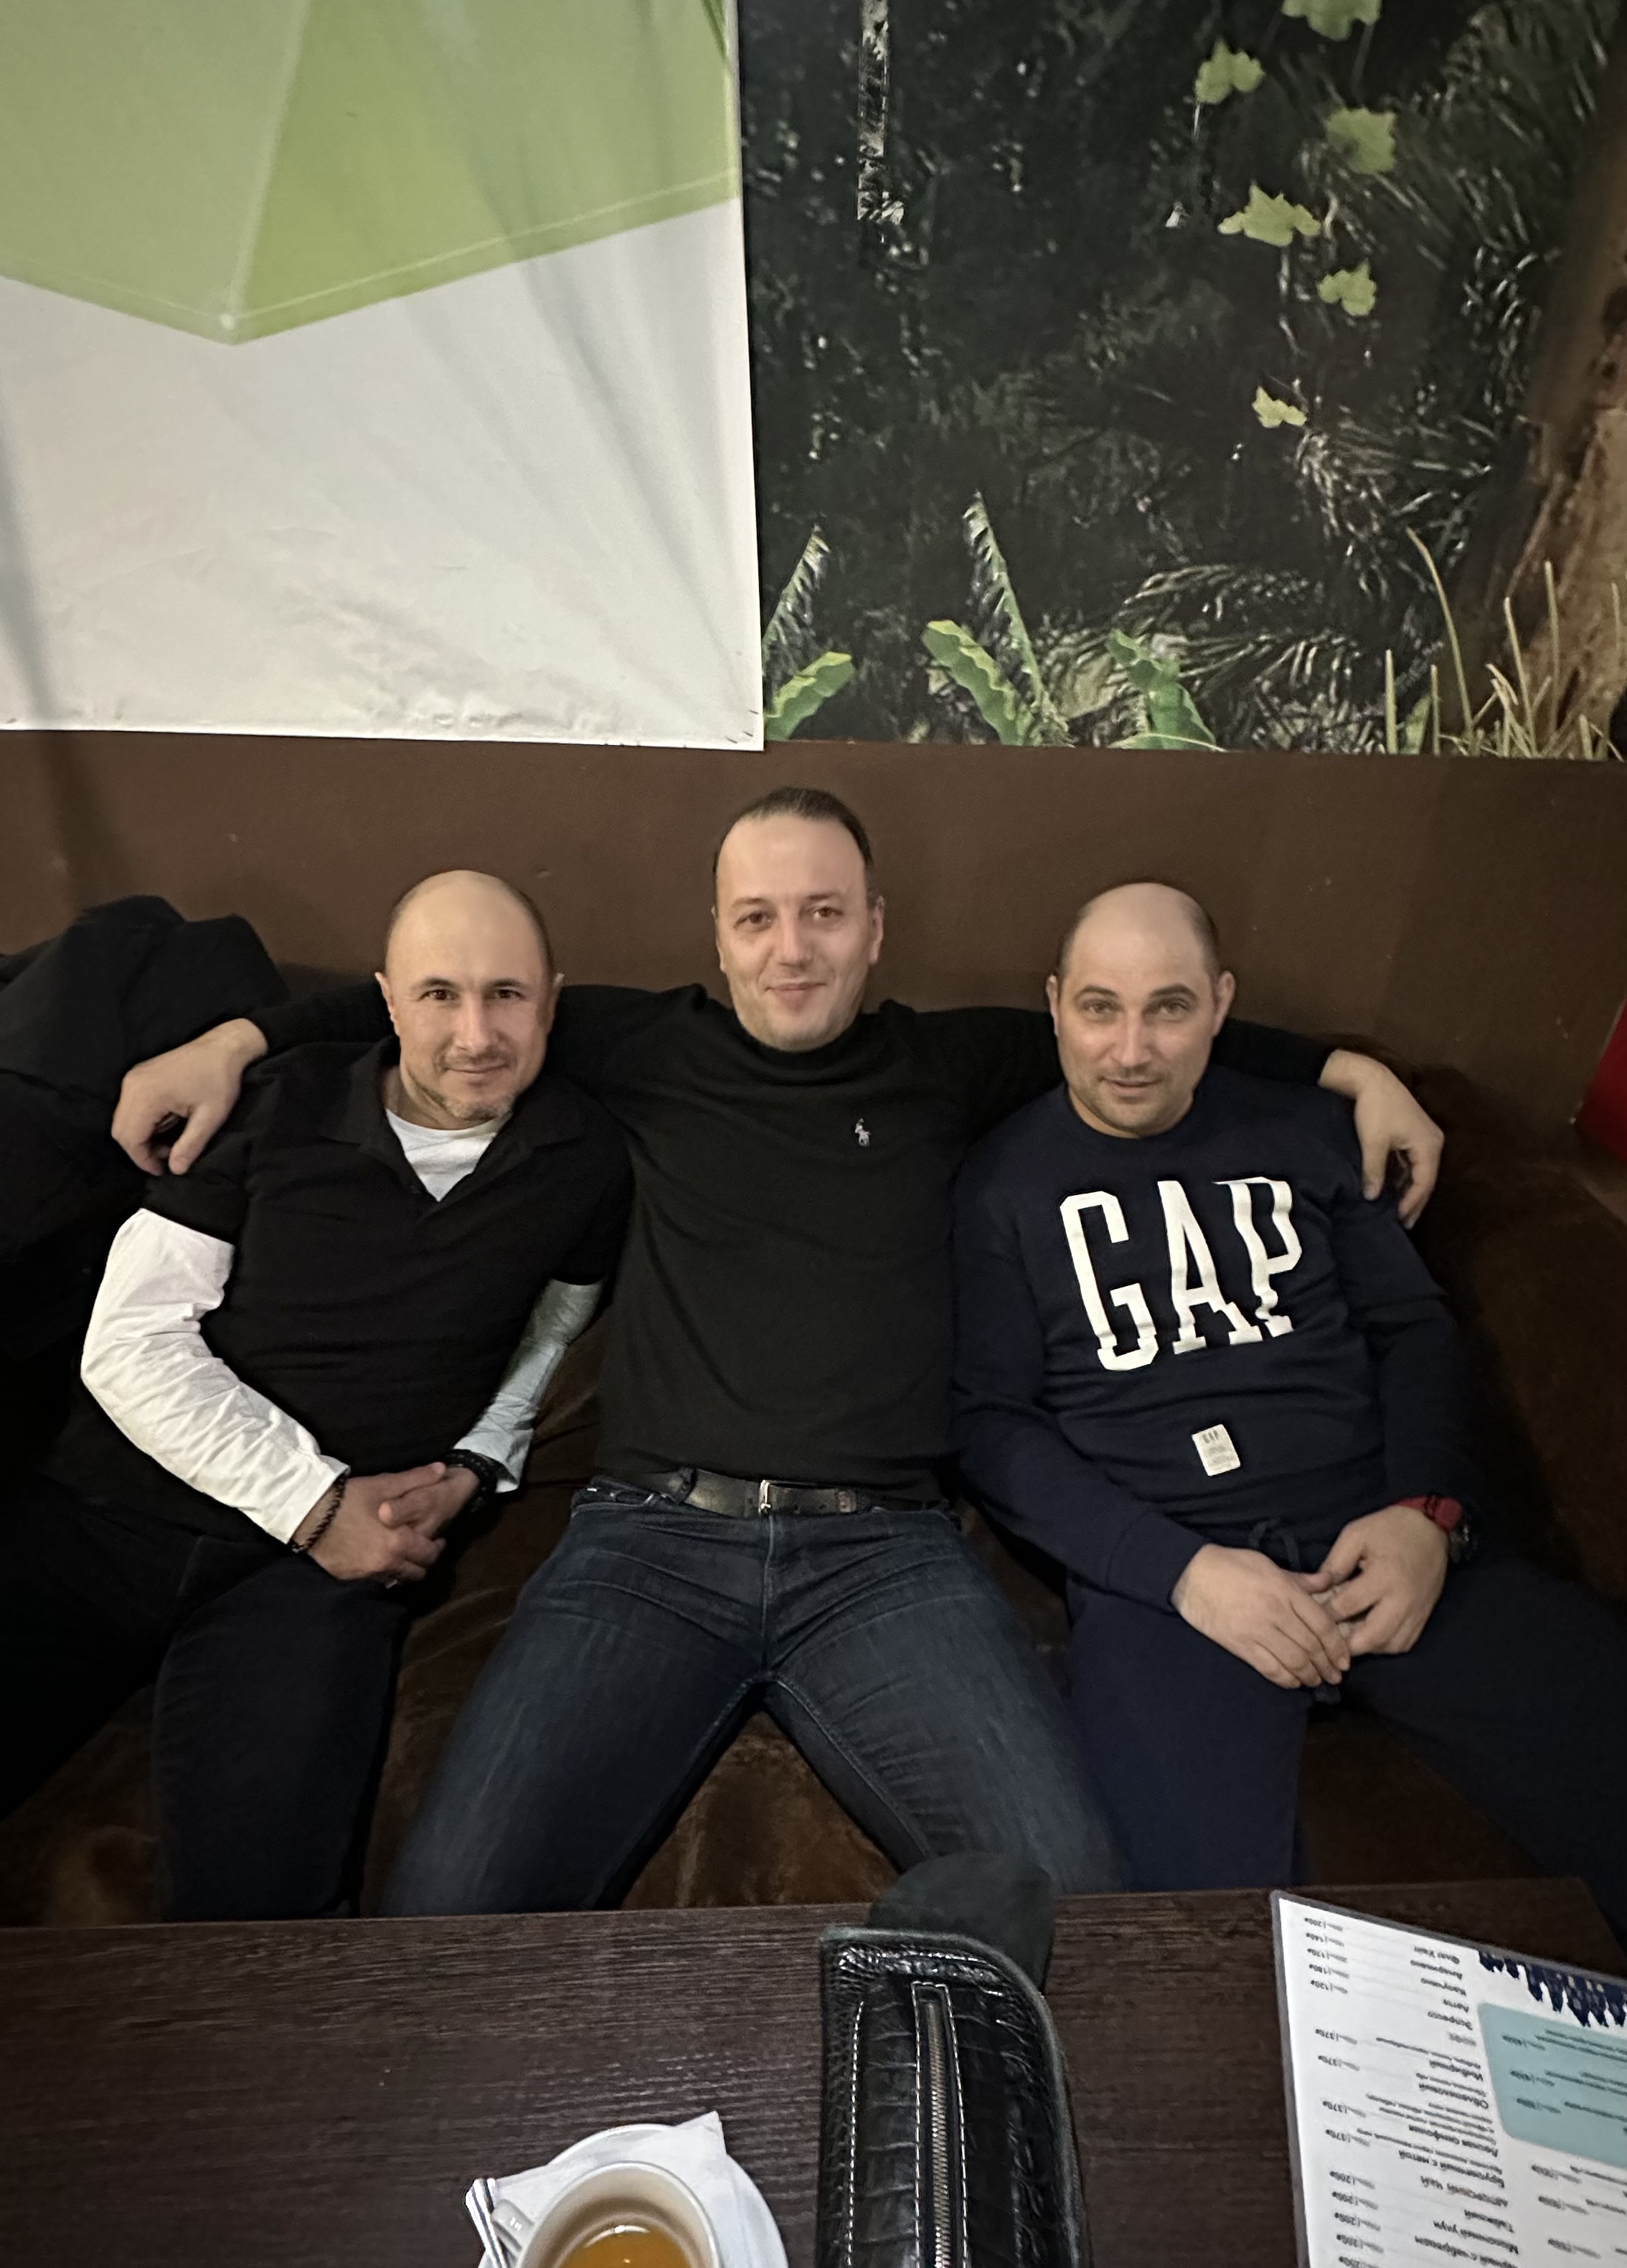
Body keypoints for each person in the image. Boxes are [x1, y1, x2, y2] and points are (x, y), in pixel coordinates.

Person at [110, 790, 1443, 1913]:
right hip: (648, 1546)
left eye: (824, 914)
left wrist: (1352, 1072)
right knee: (448, 1912)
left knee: (1074, 1899)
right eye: (758, 918)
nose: (791, 950)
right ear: (720, 935)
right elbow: (405, 1008)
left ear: (876, 929)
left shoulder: (952, 1064)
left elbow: (1148, 1023)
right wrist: (234, 1043)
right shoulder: (637, 1044)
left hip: (886, 1562)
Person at [951, 881, 1627, 1928]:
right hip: (1178, 1588)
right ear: (1054, 1004)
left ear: (1222, 1004)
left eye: (1170, 1008)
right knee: (1186, 1933)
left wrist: (1428, 1515)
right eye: (1099, 1008)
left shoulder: (1309, 1131)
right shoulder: (1000, 1184)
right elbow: (992, 1424)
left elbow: (1416, 1331)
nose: (1131, 1050)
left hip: (1381, 1537)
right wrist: (1180, 1573)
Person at [0, 871, 628, 1917]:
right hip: (106, 1514)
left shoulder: (585, 1159)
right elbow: (131, 1343)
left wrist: (480, 1460)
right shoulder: (275, 1103)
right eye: (439, 995)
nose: (477, 1034)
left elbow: (552, 1332)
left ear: (552, 1001)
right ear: (386, 1002)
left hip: (304, 1588)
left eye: (507, 995)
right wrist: (314, 1504)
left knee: (259, 1915)